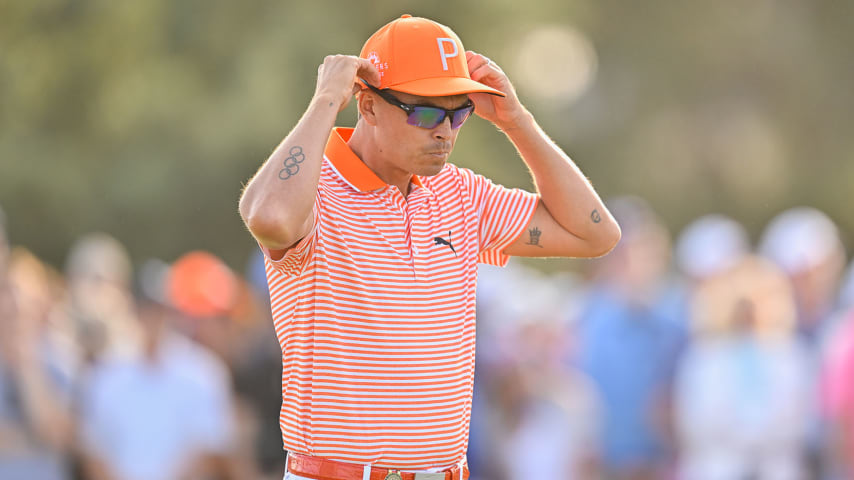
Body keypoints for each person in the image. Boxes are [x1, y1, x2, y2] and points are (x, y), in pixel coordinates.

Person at [238, 14, 620, 480]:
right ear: (368, 104)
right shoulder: (312, 191)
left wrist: (518, 123)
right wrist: (323, 101)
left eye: (458, 112)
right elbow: (269, 217)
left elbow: (595, 232)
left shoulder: (460, 194)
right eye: (424, 112)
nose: (445, 132)